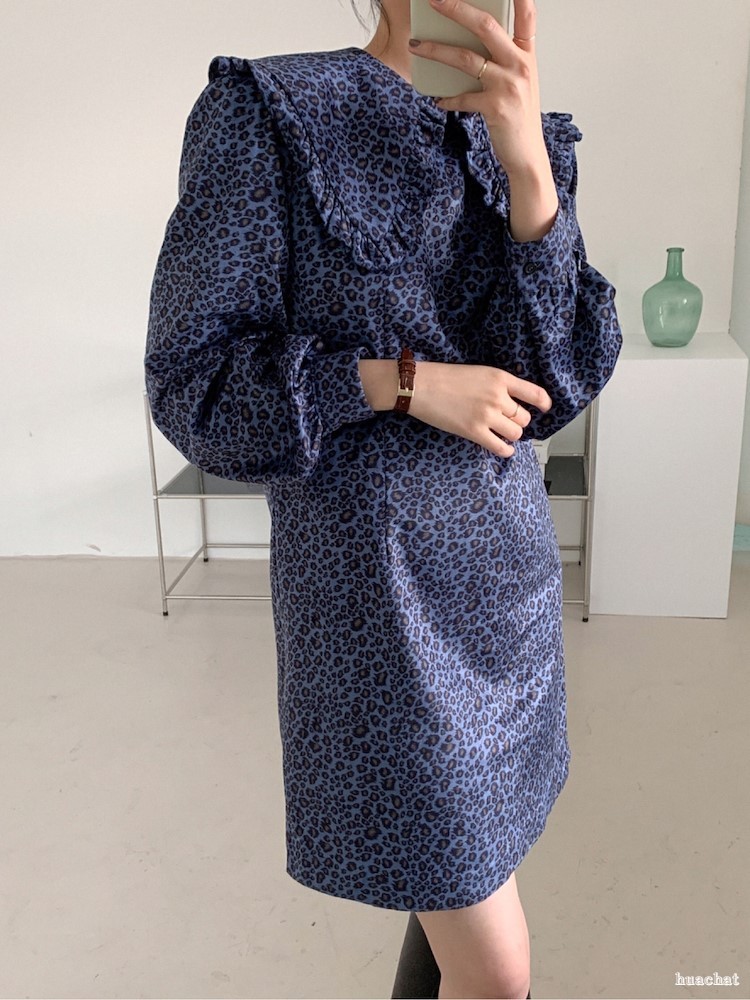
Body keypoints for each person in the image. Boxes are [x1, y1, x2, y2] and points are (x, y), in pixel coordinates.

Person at [143, 0, 622, 995]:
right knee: (497, 968)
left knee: (457, 877)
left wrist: (528, 169)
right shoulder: (272, 110)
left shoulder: (524, 130)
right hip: (379, 609)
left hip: (507, 583)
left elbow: (559, 382)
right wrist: (401, 382)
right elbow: (195, 384)